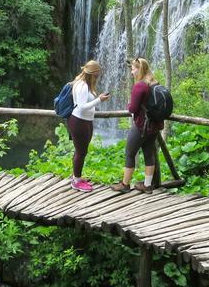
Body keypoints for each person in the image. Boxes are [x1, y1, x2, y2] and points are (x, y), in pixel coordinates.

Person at [111, 57, 162, 194]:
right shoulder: (154, 82)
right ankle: (147, 185)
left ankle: (125, 184)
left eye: (133, 69)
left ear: (139, 69)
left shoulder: (140, 86)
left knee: (129, 153)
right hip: (154, 125)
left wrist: (129, 104)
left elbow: (132, 108)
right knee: (148, 153)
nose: (132, 72)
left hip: (142, 125)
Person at [67, 59, 109, 192]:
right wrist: (99, 100)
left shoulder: (83, 83)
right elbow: (81, 107)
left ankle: (76, 177)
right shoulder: (82, 86)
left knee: (81, 151)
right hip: (79, 121)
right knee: (81, 152)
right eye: (97, 73)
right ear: (92, 73)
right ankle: (76, 181)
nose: (99, 76)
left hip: (85, 121)